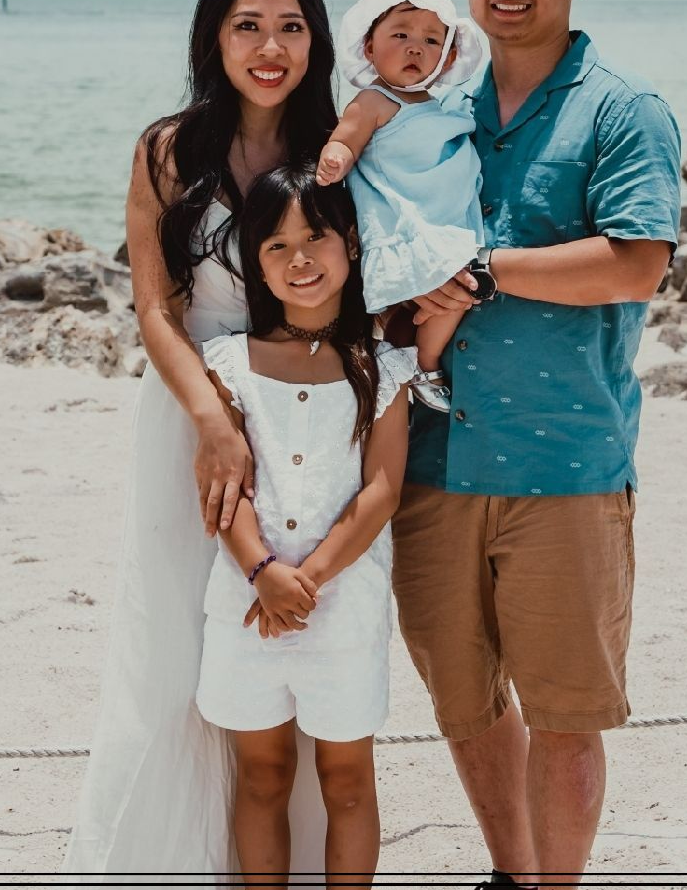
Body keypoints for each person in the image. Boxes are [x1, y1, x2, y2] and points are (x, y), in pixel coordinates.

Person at [391, 0, 682, 887]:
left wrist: (481, 274)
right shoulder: (430, 100)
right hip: (432, 458)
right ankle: (511, 876)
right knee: (462, 702)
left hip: (567, 459)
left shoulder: (623, 109)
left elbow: (637, 260)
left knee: (566, 713)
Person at [61, 0, 338, 879]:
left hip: (305, 412)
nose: (271, 46)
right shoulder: (166, 148)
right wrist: (214, 421)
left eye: (292, 25)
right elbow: (153, 308)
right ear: (213, 36)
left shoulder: (332, 145)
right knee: (178, 650)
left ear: (316, 38)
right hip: (189, 409)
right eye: (248, 25)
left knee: (288, 649)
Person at [197, 164, 415, 885]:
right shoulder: (229, 362)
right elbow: (224, 488)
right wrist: (264, 574)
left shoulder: (382, 367)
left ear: (350, 244)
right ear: (255, 265)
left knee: (348, 778)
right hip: (245, 606)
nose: (299, 258)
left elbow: (381, 490)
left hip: (343, 606)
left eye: (316, 237)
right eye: (276, 245)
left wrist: (308, 580)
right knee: (262, 774)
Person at [315, 0, 485, 413]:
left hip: (438, 214)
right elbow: (346, 137)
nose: (416, 47)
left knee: (457, 289)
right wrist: (336, 156)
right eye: (401, 35)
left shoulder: (443, 106)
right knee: (450, 285)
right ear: (370, 49)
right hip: (401, 219)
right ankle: (424, 365)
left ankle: (417, 361)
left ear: (446, 60)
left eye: (432, 40)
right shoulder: (372, 100)